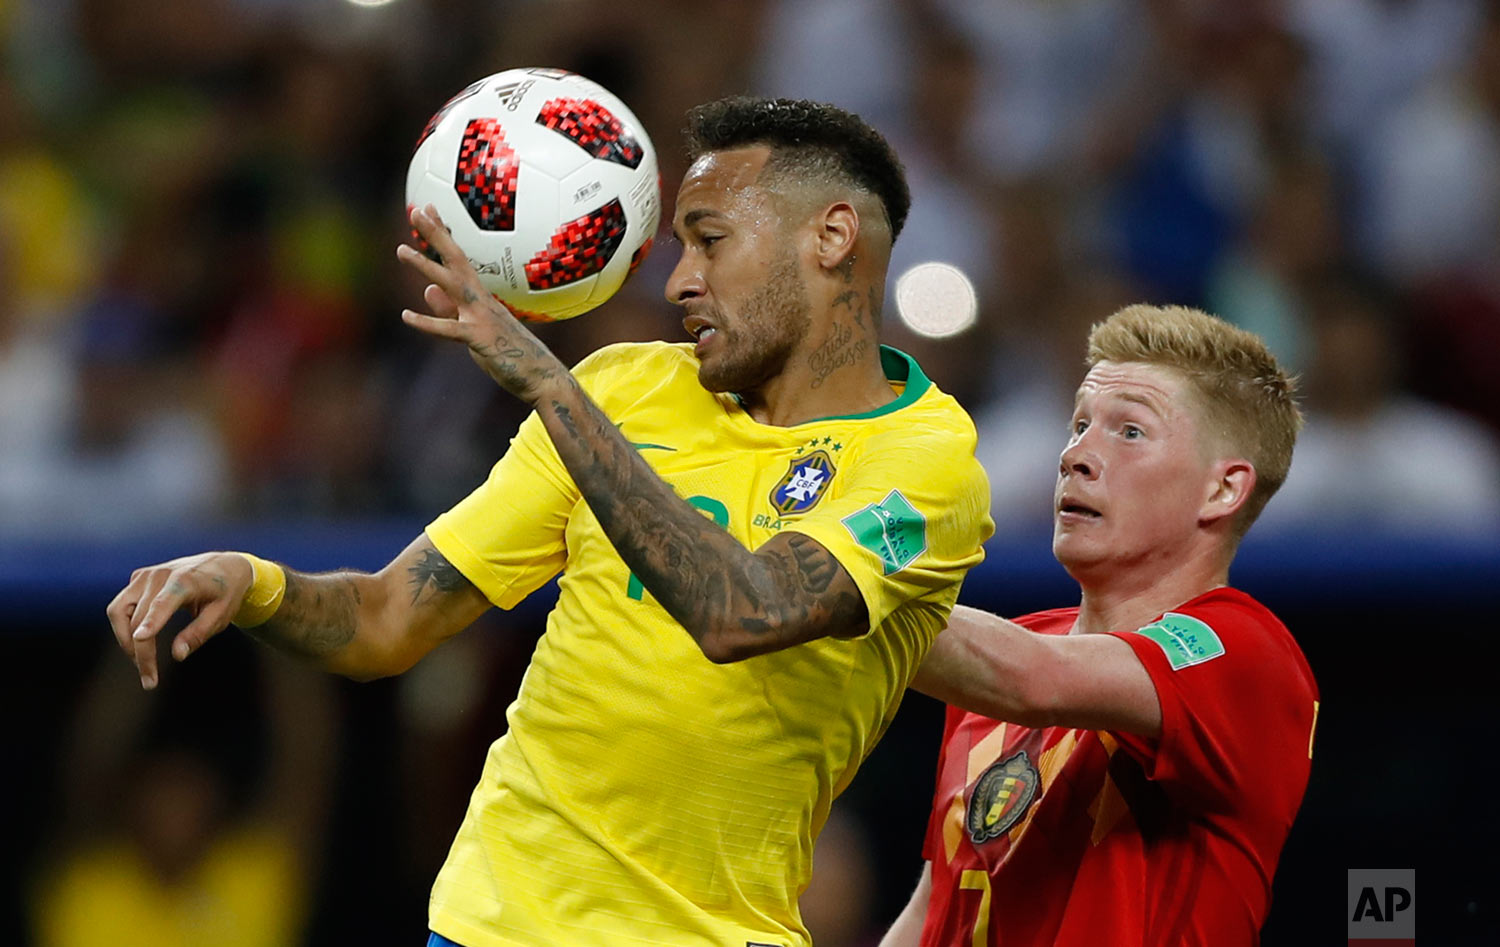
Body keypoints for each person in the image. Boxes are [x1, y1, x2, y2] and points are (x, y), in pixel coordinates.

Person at [107, 96, 993, 947]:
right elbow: (385, 619)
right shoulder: (625, 387)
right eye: (680, 246)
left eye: (710, 242)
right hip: (494, 918)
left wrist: (551, 389)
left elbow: (744, 612)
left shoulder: (924, 460)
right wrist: (252, 581)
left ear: (832, 238)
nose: (681, 280)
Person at [880, 305, 1318, 946]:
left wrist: (843, 560)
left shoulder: (1244, 651)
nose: (1075, 455)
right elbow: (935, 908)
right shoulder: (1003, 656)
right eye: (1079, 423)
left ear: (1223, 490)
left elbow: (1033, 679)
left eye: (1130, 432)